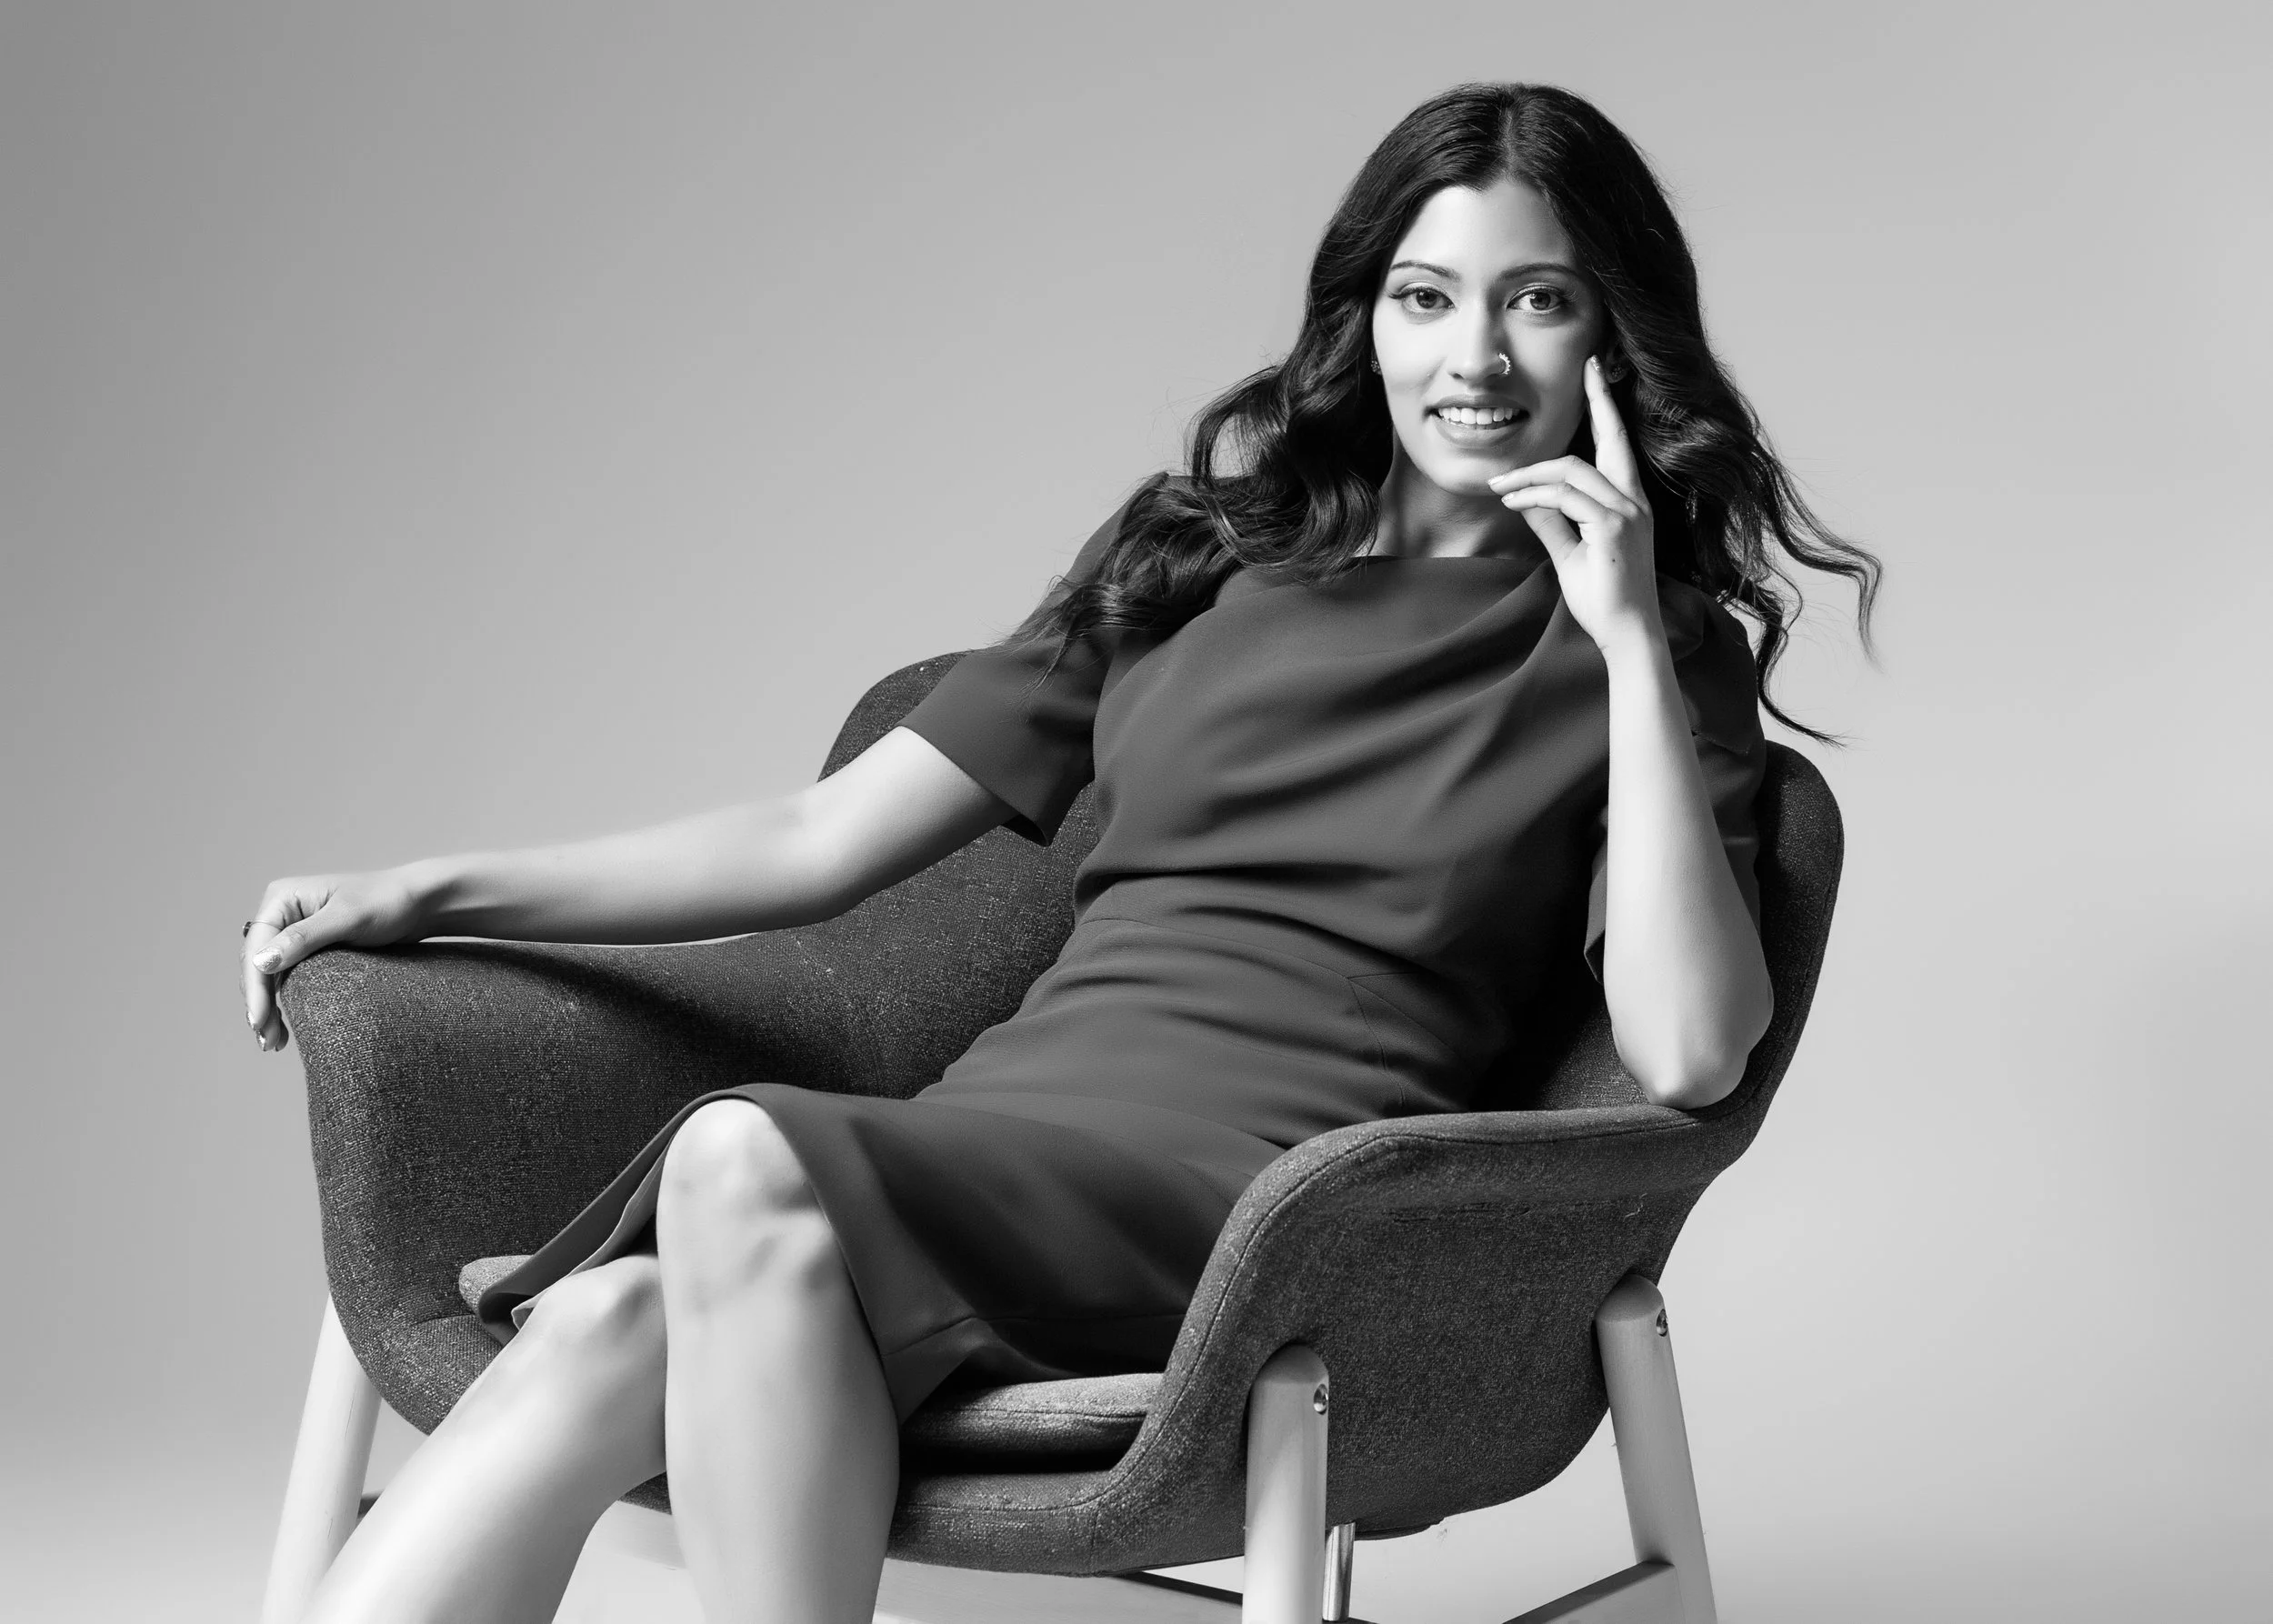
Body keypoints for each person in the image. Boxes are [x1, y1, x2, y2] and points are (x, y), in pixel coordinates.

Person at [241, 81, 1878, 1624]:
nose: (1474, 355)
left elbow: (1687, 1042)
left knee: (734, 1160)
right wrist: (422, 889)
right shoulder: (1201, 561)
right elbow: (821, 842)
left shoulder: (1641, 657)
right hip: (988, 1148)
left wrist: (1630, 641)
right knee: (613, 1318)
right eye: (1424, 296)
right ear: (1361, 317)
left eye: (1538, 298)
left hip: (1265, 1211)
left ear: (1614, 331)